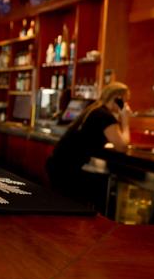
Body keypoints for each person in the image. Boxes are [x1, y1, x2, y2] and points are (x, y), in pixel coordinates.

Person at [46, 82, 131, 210]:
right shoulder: (105, 116)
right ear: (118, 99)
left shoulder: (94, 109)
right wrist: (125, 121)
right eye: (126, 101)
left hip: (59, 165)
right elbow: (122, 147)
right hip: (68, 170)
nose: (127, 105)